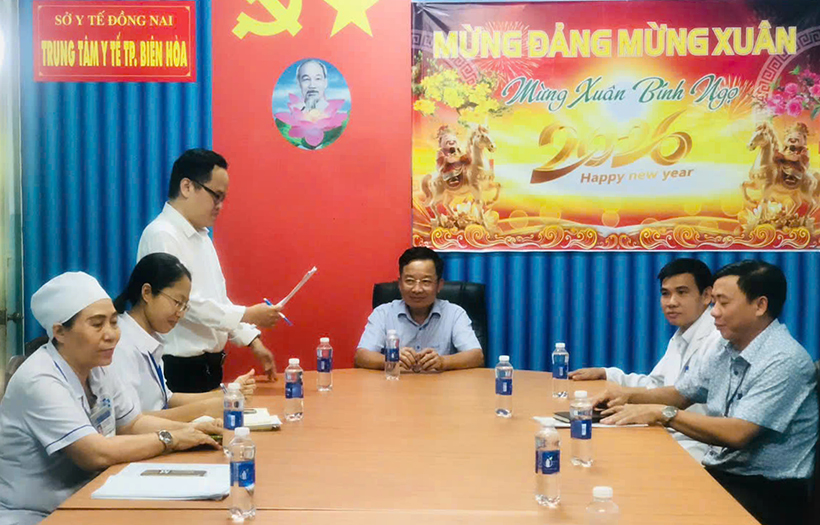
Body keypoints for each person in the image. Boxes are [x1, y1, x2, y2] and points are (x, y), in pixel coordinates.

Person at [595, 261, 818, 525]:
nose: (714, 312)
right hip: (724, 473)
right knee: (629, 484)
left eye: (723, 303)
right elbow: (681, 393)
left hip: (765, 493)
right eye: (714, 302)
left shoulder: (784, 360)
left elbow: (737, 433)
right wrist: (625, 397)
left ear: (760, 305)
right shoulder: (726, 347)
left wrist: (663, 414)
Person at [0, 272, 222, 525]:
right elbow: (95, 453)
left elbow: (132, 423)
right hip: (36, 515)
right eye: (97, 324)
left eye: (114, 322)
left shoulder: (98, 365)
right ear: (60, 332)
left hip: (89, 496)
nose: (111, 334)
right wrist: (171, 439)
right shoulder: (39, 379)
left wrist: (192, 430)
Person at [137, 149, 282, 393]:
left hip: (208, 367)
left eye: (224, 198)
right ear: (187, 187)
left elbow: (217, 300)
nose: (220, 206)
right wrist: (247, 314)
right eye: (216, 196)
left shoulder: (201, 236)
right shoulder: (162, 235)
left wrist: (251, 339)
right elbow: (184, 305)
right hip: (178, 370)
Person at [569, 258, 721, 462]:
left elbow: (680, 395)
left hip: (696, 443)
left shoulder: (717, 338)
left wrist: (627, 395)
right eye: (665, 293)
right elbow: (655, 384)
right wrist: (608, 374)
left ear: (707, 296)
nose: (671, 302)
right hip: (665, 430)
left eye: (682, 292)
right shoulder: (682, 334)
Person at [110, 253, 257, 422]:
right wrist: (206, 409)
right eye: (177, 302)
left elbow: (167, 399)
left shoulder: (150, 338)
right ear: (147, 293)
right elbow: (130, 421)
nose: (180, 313)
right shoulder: (121, 344)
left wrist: (229, 392)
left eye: (184, 306)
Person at [354, 247, 484, 372]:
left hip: (441, 385)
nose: (417, 289)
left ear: (439, 285)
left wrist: (443, 362)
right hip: (396, 384)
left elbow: (476, 356)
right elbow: (361, 356)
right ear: (400, 284)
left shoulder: (454, 313)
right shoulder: (383, 313)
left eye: (426, 281)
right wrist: (390, 358)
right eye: (410, 281)